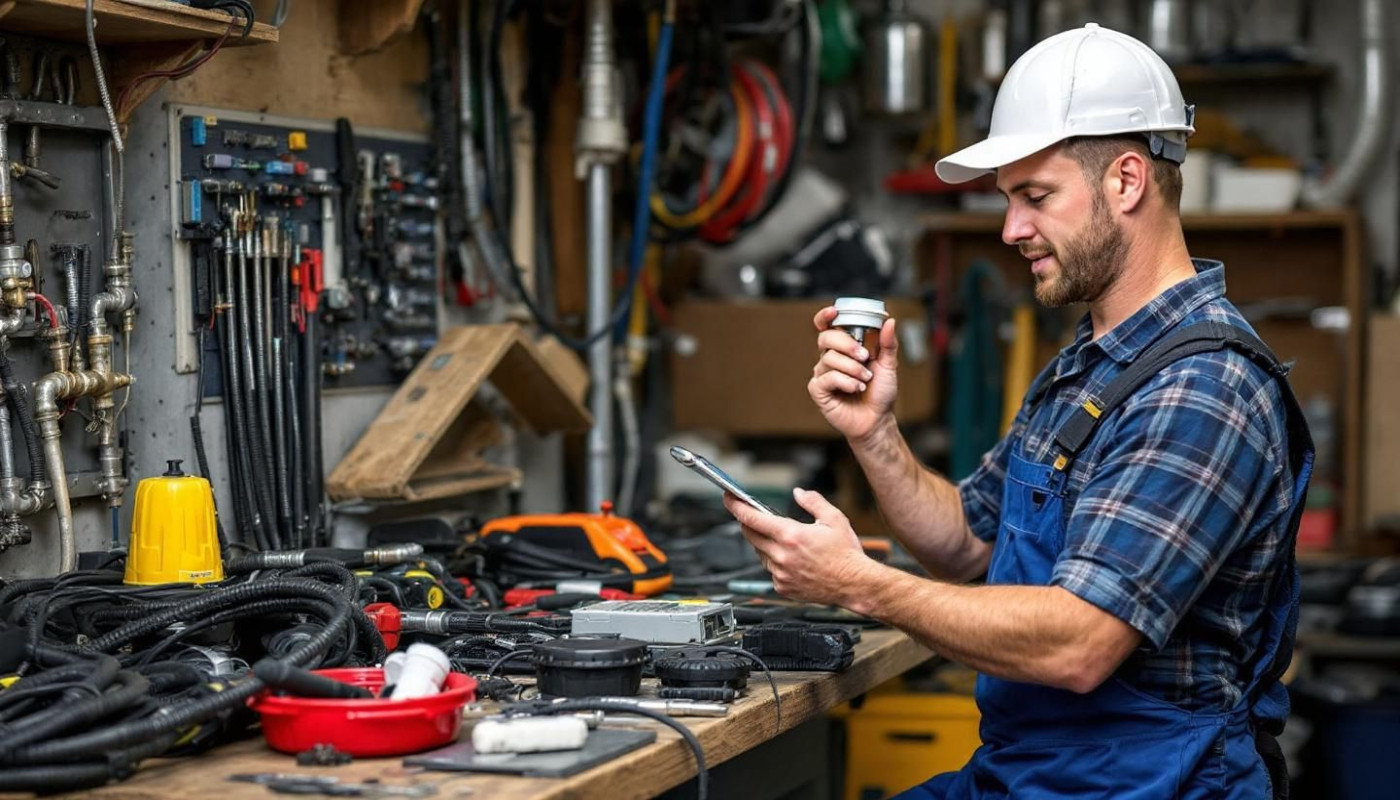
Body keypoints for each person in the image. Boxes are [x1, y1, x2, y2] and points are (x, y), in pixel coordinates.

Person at [722, 24, 1313, 799]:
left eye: (1035, 197)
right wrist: (876, 435)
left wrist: (860, 585)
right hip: (1032, 774)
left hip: (1152, 784)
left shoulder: (1201, 388)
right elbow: (968, 540)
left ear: (1127, 180)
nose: (1010, 230)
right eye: (1008, 201)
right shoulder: (1092, 363)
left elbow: (1077, 645)